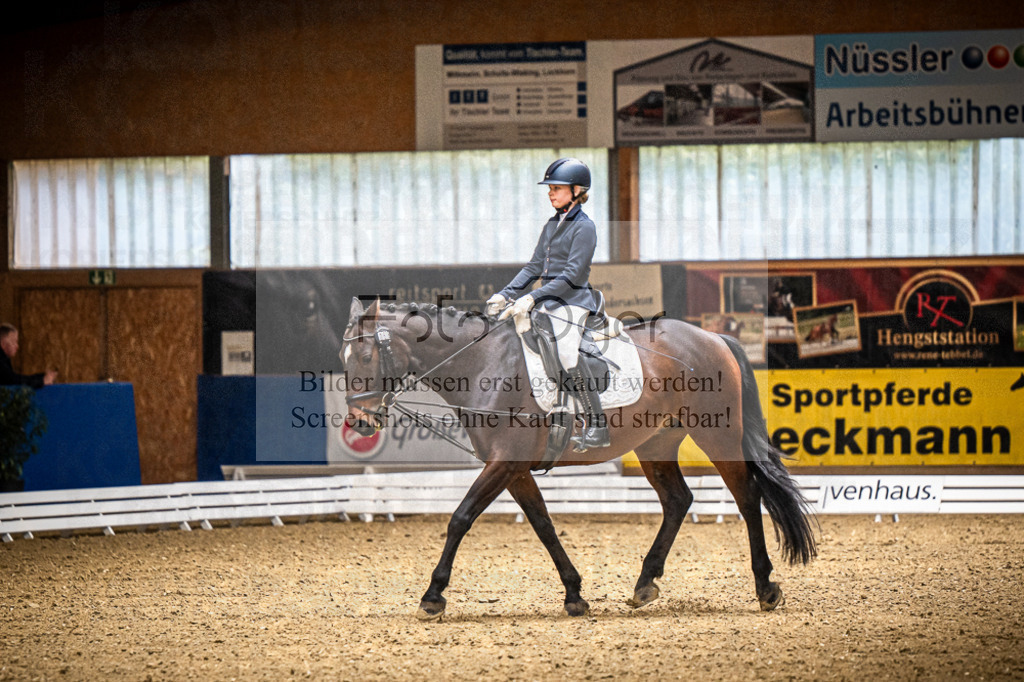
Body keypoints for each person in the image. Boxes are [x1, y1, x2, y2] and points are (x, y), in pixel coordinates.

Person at [485, 157, 609, 451]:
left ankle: (598, 425)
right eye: (549, 188)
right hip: (548, 303)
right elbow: (534, 266)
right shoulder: (552, 224)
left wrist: (532, 297)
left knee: (567, 353)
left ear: (577, 190)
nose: (551, 193)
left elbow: (571, 275)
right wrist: (506, 293)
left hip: (574, 301)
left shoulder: (584, 227)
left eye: (557, 188)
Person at [0, 323, 57, 388]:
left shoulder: (5, 359)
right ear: (3, 344)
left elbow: (12, 378)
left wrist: (42, 377)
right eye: (13, 342)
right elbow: (12, 381)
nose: (17, 346)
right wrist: (41, 381)